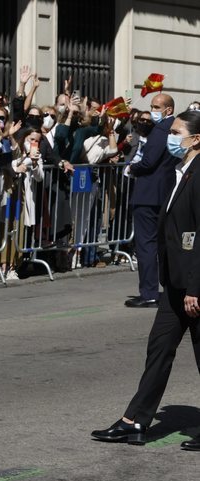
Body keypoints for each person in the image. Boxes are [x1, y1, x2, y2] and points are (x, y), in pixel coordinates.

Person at [91, 110, 200, 450]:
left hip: (194, 286)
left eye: (177, 132)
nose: (171, 137)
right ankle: (135, 420)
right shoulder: (178, 172)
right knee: (159, 349)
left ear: (195, 139)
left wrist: (195, 287)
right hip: (175, 283)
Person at [126, 93, 179, 308]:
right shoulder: (174, 129)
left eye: (157, 106)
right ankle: (168, 289)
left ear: (168, 109)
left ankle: (149, 292)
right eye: (152, 106)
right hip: (163, 193)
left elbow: (149, 162)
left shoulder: (161, 129)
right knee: (161, 244)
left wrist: (132, 168)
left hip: (149, 194)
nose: (153, 110)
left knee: (146, 245)